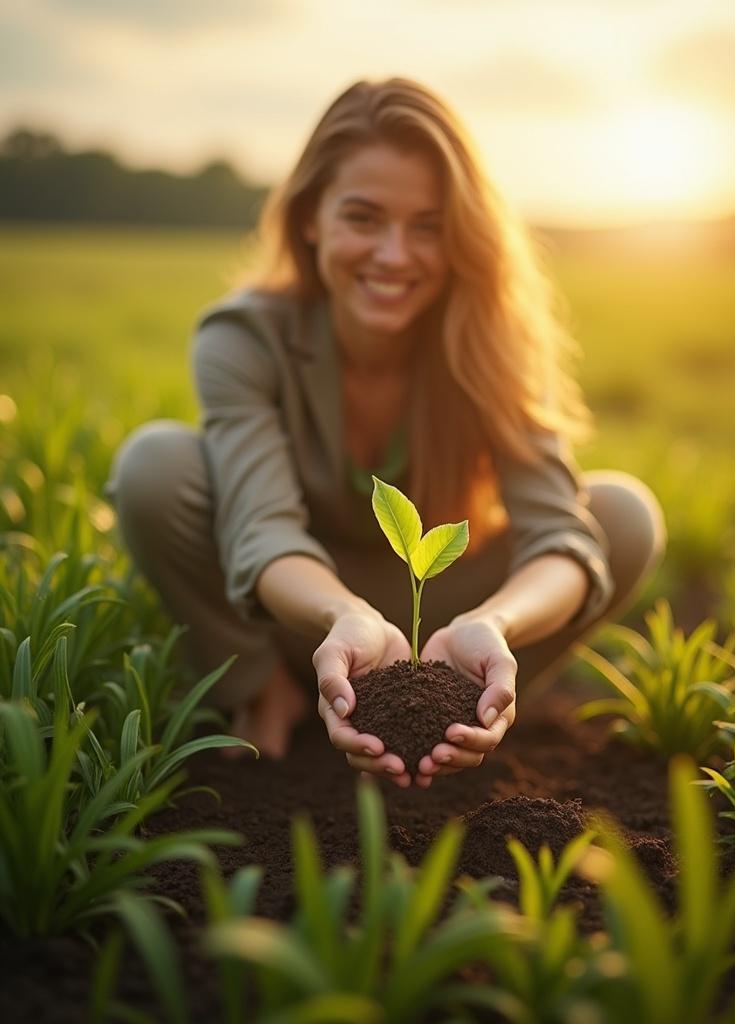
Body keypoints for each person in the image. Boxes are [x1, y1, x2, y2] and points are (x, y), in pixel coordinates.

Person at [104, 77, 666, 790]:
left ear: (461, 234)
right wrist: (345, 614)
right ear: (311, 218)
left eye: (427, 226)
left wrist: (490, 624)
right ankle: (263, 690)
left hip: (448, 614)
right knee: (156, 465)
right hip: (304, 613)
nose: (395, 255)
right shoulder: (244, 336)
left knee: (621, 517)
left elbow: (561, 535)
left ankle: (467, 702)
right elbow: (263, 534)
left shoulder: (492, 339)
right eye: (364, 218)